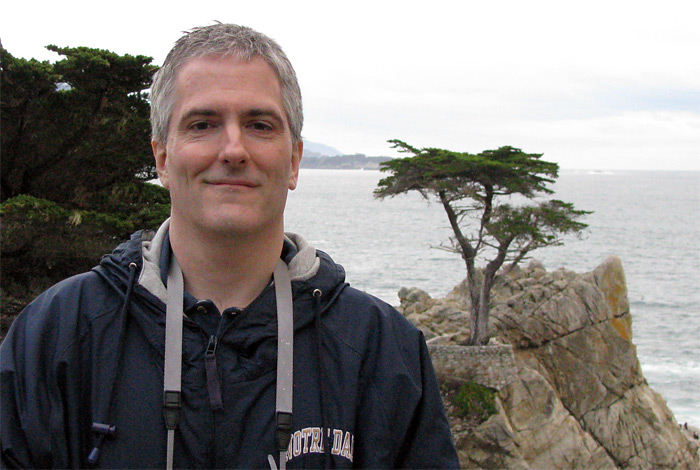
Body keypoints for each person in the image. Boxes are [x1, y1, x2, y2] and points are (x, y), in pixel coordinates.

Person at [0, 24, 459, 469]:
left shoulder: (380, 349)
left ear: (294, 160)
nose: (234, 149)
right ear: (162, 157)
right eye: (203, 124)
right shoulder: (58, 333)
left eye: (260, 125)